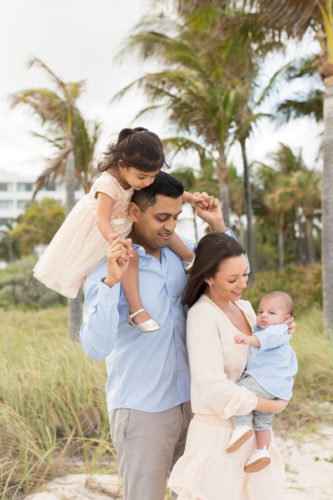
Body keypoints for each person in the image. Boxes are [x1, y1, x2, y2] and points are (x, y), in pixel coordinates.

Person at [80, 171, 232, 500]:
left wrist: (217, 225)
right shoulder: (105, 269)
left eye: (176, 217)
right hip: (143, 411)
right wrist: (110, 284)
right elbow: (94, 348)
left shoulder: (183, 258)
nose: (170, 226)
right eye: (162, 217)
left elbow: (235, 276)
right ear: (134, 212)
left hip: (194, 405)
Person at [33, 127, 203, 332]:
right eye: (143, 178)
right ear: (122, 165)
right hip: (102, 232)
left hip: (125, 223)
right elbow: (101, 219)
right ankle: (136, 310)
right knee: (130, 256)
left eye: (153, 176)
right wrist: (114, 239)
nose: (148, 182)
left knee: (164, 225)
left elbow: (165, 187)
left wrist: (191, 198)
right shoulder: (107, 184)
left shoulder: (140, 174)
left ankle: (190, 258)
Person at [168, 232, 291, 500]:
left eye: (245, 275)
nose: (242, 285)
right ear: (209, 278)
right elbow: (212, 386)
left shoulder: (247, 309)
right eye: (233, 279)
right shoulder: (203, 315)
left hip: (250, 435)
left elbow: (267, 353)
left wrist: (281, 331)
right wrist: (270, 405)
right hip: (216, 438)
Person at [227, 291, 298, 473]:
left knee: (241, 392)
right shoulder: (276, 329)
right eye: (261, 312)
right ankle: (262, 451)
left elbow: (262, 340)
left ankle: (241, 426)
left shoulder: (276, 331)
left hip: (265, 381)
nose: (264, 315)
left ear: (286, 318)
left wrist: (247, 339)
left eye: (271, 313)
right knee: (263, 419)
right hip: (277, 387)